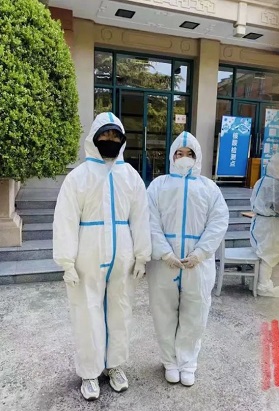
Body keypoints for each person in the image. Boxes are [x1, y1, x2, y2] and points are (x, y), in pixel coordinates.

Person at [53, 112, 152, 401]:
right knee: (87, 312)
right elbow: (66, 220)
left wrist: (142, 256)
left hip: (122, 255)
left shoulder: (130, 176)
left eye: (115, 136)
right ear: (94, 139)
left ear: (122, 140)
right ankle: (89, 372)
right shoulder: (78, 177)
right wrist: (66, 262)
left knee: (120, 310)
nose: (110, 140)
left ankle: (114, 365)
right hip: (88, 254)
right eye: (105, 135)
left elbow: (141, 218)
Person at [146, 131, 229, 386]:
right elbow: (149, 221)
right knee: (163, 312)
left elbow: (218, 222)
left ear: (197, 157)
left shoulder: (209, 188)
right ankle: (169, 362)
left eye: (189, 154)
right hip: (164, 263)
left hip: (198, 265)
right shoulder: (158, 186)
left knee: (195, 313)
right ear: (172, 157)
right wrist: (165, 252)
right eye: (179, 154)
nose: (184, 158)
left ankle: (188, 362)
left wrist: (201, 253)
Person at [250, 153, 279, 298]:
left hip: (260, 223)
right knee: (269, 254)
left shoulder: (260, 181)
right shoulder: (276, 186)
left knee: (264, 253)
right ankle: (263, 286)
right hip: (270, 225)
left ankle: (259, 282)